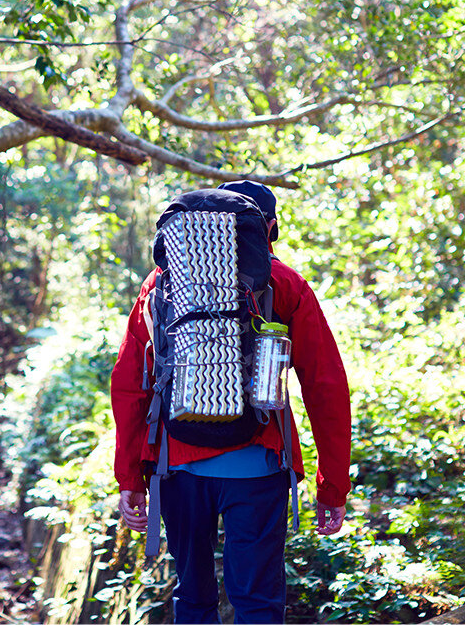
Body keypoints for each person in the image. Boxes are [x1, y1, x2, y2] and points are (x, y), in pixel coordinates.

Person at [110, 180, 351, 624]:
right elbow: (325, 387)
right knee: (257, 601)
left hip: (176, 464)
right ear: (268, 230)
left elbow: (130, 384)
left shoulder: (163, 283)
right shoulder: (286, 284)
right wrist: (332, 483)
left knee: (194, 597)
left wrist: (130, 477)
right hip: (259, 464)